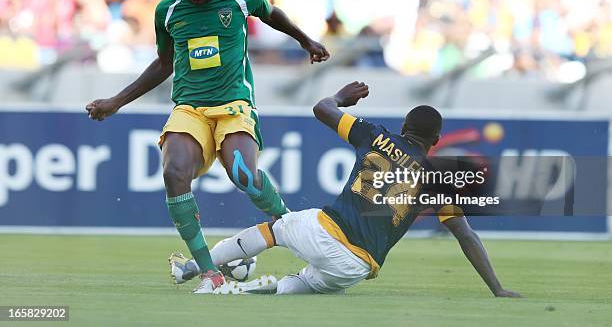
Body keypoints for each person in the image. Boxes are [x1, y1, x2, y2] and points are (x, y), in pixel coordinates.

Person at [86, 0, 330, 294]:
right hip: (189, 106)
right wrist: (116, 101)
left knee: (244, 174)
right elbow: (164, 63)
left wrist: (305, 41)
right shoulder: (168, 11)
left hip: (234, 103)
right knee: (173, 173)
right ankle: (209, 273)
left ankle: (288, 223)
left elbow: (271, 13)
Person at [169, 82, 521, 297]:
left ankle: (196, 268)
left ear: (404, 127)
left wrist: (340, 96)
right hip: (356, 268)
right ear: (437, 141)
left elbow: (322, 109)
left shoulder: (377, 136)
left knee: (277, 228)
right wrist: (497, 288)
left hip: (326, 233)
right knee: (305, 282)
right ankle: (246, 290)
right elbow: (466, 236)